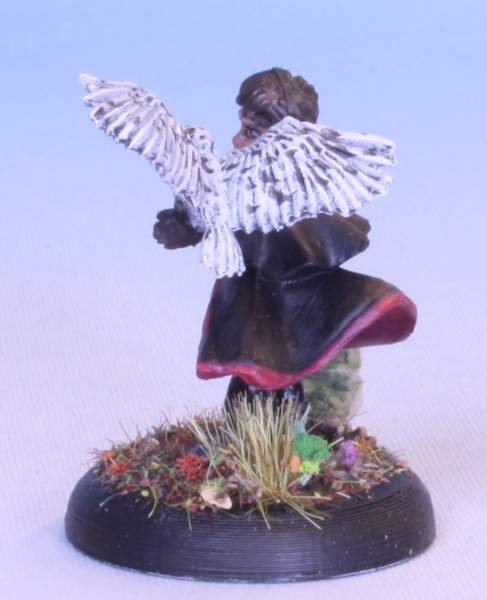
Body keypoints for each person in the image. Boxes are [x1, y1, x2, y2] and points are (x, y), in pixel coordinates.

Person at [153, 68, 417, 407]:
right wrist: (186, 226)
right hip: (248, 301)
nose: (237, 141)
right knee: (250, 379)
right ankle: (257, 433)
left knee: (284, 376)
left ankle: (296, 429)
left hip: (294, 308)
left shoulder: (302, 204)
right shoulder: (243, 184)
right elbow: (217, 215)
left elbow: (286, 240)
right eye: (242, 128)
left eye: (251, 133)